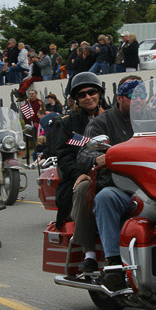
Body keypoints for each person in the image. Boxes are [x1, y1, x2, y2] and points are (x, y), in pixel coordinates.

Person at [76, 76, 143, 287]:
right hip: (120, 187)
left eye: (143, 97)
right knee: (104, 197)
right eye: (133, 97)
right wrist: (98, 158)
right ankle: (114, 264)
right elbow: (83, 155)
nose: (139, 102)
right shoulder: (102, 123)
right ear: (120, 98)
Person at [52, 73, 107, 272]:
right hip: (82, 176)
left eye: (91, 92)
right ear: (77, 99)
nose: (88, 97)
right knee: (84, 189)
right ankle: (89, 253)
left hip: (115, 172)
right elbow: (64, 155)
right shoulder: (69, 123)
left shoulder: (114, 116)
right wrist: (79, 174)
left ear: (100, 93)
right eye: (82, 94)